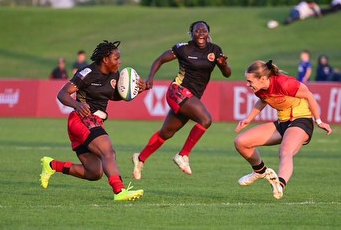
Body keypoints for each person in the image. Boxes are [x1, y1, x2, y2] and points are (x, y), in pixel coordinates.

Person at [40, 40, 145, 201]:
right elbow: (62, 94)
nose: (120, 61)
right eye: (116, 58)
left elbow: (112, 95)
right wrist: (76, 104)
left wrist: (136, 90)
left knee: (94, 172)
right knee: (108, 152)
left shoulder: (115, 74)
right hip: (82, 119)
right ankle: (119, 191)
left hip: (93, 122)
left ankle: (52, 165)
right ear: (105, 59)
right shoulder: (87, 73)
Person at [132, 21, 231, 180]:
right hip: (177, 91)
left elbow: (227, 73)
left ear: (208, 33)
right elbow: (160, 60)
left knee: (166, 133)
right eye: (196, 30)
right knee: (206, 119)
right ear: (191, 33)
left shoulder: (215, 50)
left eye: (203, 30)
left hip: (191, 98)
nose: (200, 33)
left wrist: (224, 64)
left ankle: (140, 158)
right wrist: (150, 78)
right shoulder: (183, 48)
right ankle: (183, 155)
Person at [234, 60, 332, 199]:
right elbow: (263, 100)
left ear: (262, 78)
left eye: (250, 81)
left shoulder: (284, 83)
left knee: (285, 151)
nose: (247, 84)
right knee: (241, 142)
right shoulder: (260, 89)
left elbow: (309, 95)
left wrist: (319, 121)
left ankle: (279, 185)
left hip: (301, 120)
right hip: (282, 123)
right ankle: (259, 171)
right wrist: (248, 119)